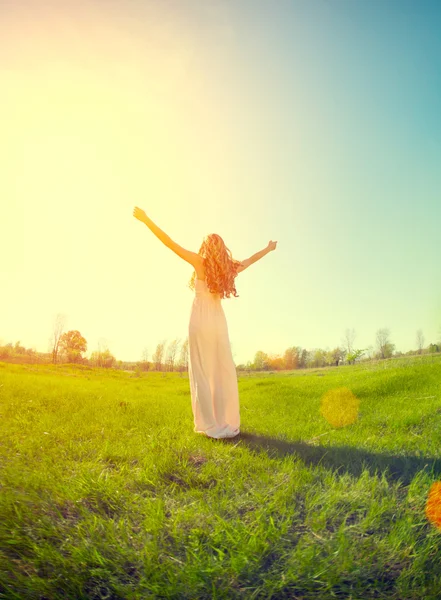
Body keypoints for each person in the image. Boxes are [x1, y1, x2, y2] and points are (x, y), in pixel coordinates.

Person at [133, 206, 277, 439]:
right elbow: (251, 259)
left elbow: (169, 243)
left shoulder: (199, 262)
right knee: (222, 370)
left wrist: (146, 220)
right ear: (222, 250)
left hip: (200, 319)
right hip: (218, 322)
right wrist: (269, 249)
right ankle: (225, 420)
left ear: (206, 248)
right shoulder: (229, 268)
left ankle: (209, 423)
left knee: (202, 370)